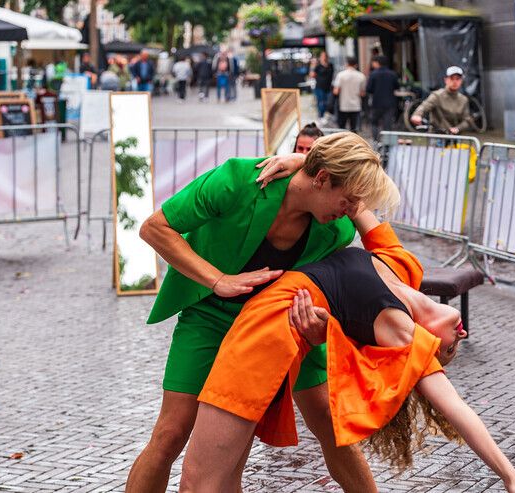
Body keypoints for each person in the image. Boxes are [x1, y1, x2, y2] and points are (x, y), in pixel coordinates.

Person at [179, 206, 515, 493]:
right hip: (268, 321)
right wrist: (299, 160)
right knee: (218, 480)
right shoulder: (401, 264)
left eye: (446, 351)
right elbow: (355, 199)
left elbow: (456, 409)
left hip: (268, 332)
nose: (459, 339)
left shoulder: (404, 334)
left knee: (200, 482)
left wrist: (510, 479)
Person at [126, 132, 388, 492]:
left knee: (330, 421)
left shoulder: (336, 230)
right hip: (212, 317)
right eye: (349, 200)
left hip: (287, 322)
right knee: (171, 433)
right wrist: (218, 280)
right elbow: (155, 228)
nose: (352, 210)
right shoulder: (237, 181)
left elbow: (350, 266)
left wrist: (322, 326)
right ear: (323, 178)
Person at [410, 66, 474, 135]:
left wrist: (458, 128)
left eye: (457, 79)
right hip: (437, 135)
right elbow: (424, 106)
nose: (455, 82)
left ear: (461, 81)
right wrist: (417, 115)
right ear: (446, 80)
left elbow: (467, 120)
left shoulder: (463, 99)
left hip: (455, 137)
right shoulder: (437, 95)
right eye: (452, 78)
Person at [366, 55, 399, 141]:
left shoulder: (373, 74)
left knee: (374, 123)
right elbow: (396, 87)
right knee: (388, 125)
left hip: (376, 103)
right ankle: (387, 145)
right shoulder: (392, 74)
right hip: (390, 103)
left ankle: (376, 141)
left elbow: (369, 89)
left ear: (377, 63)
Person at [333, 57, 366, 132]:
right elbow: (362, 93)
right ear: (356, 65)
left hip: (343, 105)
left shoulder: (341, 75)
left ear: (347, 64)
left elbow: (336, 91)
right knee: (354, 128)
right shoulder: (361, 76)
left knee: (342, 128)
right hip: (356, 105)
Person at [309, 52, 334, 122]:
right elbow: (311, 75)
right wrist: (313, 65)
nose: (324, 58)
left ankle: (326, 115)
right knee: (321, 102)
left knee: (328, 102)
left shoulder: (330, 65)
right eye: (322, 56)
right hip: (319, 87)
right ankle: (321, 116)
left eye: (325, 56)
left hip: (328, 87)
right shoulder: (318, 66)